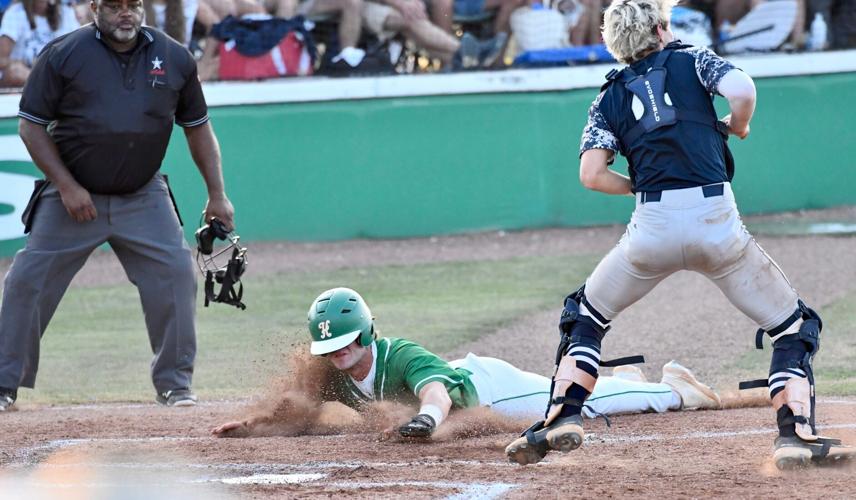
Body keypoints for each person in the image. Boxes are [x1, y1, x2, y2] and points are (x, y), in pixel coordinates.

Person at [505, 0, 855, 470]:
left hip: (651, 227)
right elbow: (742, 88)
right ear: (658, 27)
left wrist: (639, 185)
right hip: (717, 222)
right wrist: (741, 124)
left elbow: (591, 174)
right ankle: (795, 434)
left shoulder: (607, 96)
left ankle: (562, 417)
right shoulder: (693, 58)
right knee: (794, 326)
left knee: (585, 316)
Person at [0, 0, 236, 412]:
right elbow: (30, 126)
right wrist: (67, 186)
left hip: (143, 194)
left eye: (134, 4)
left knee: (177, 273)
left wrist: (217, 194)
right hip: (73, 195)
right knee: (26, 278)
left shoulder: (175, 57)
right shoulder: (62, 54)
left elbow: (198, 129)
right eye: (114, 5)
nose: (125, 12)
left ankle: (175, 385)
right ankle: (3, 384)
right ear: (94, 8)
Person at [211, 287, 720, 440]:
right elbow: (297, 407)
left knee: (572, 405)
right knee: (575, 396)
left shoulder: (401, 355)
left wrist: (428, 420)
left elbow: (434, 391)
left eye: (346, 342)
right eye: (330, 347)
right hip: (465, 381)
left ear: (367, 332)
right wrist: (255, 425)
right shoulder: (334, 371)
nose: (338, 353)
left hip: (487, 386)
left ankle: (675, 390)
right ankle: (622, 380)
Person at [0, 0, 80, 87]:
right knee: (15, 72)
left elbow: (80, 53)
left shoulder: (67, 14)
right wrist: (28, 64)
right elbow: (1, 60)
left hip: (58, 76)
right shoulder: (15, 13)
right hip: (27, 79)